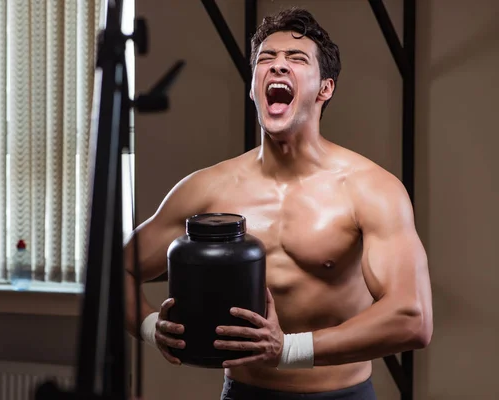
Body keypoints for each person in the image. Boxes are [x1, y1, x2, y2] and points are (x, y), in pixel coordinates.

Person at [123, 6, 433, 400]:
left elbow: (413, 318)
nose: (278, 66)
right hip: (245, 393)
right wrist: (151, 327)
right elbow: (117, 272)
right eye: (266, 59)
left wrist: (287, 350)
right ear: (253, 87)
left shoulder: (370, 189)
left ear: (325, 88)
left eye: (297, 59)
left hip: (341, 395)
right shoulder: (208, 189)